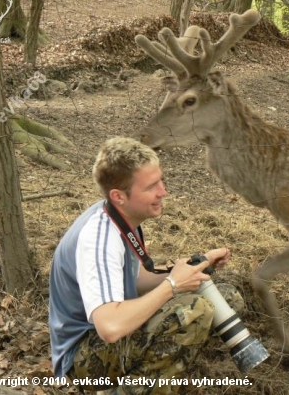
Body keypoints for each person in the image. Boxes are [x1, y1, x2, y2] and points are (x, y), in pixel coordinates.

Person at [49, 137, 243, 394]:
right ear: (119, 196)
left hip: (110, 335)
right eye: (151, 186)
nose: (163, 191)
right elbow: (109, 327)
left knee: (224, 296)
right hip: (84, 356)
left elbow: (135, 278)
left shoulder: (122, 217)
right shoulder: (99, 239)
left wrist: (193, 266)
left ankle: (176, 376)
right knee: (193, 311)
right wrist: (173, 285)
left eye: (161, 181)